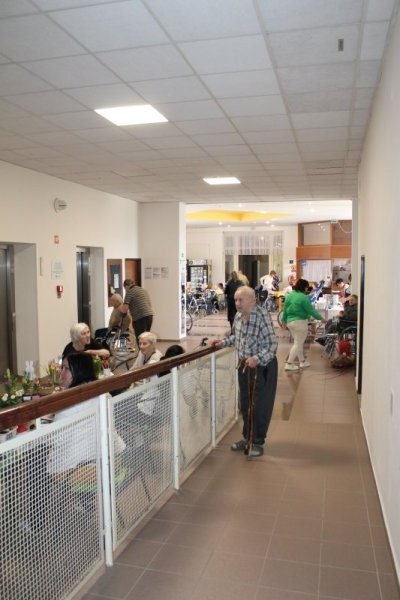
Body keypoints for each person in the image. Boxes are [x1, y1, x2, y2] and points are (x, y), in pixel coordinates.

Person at [211, 286, 278, 458]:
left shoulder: (261, 316)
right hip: (244, 366)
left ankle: (257, 441)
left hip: (262, 367)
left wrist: (257, 358)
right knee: (246, 404)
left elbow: (272, 345)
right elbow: (237, 338)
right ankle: (247, 437)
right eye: (235, 300)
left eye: (240, 300)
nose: (237, 303)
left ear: (252, 300)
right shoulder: (239, 316)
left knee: (259, 405)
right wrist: (223, 343)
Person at [47, 353, 125, 475]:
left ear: (80, 371)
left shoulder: (69, 403)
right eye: (62, 368)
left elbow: (53, 439)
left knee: (38, 463)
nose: (61, 374)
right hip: (111, 459)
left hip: (79, 470)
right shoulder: (104, 394)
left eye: (66, 369)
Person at [281, 278, 324, 371]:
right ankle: (289, 363)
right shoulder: (303, 297)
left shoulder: (290, 296)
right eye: (307, 287)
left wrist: (283, 321)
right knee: (298, 344)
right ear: (305, 287)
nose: (307, 289)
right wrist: (321, 318)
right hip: (300, 323)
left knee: (298, 342)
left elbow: (285, 310)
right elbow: (311, 310)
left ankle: (302, 361)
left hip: (290, 323)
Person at [119, 279, 154, 344]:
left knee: (140, 338)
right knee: (146, 337)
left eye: (125, 288)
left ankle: (142, 350)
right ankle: (148, 350)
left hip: (140, 317)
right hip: (149, 315)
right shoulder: (142, 290)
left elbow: (125, 309)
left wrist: (121, 315)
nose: (125, 290)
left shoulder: (129, 292)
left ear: (126, 286)